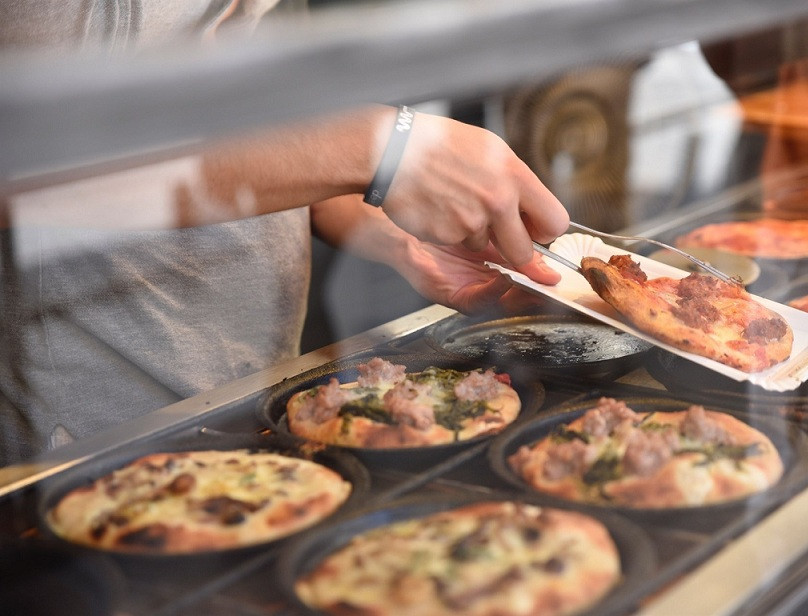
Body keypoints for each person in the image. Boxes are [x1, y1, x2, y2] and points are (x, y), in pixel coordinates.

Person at [0, 1, 570, 465]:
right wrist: (380, 150)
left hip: (268, 396)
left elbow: (269, 131)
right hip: (80, 444)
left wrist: (400, 237)